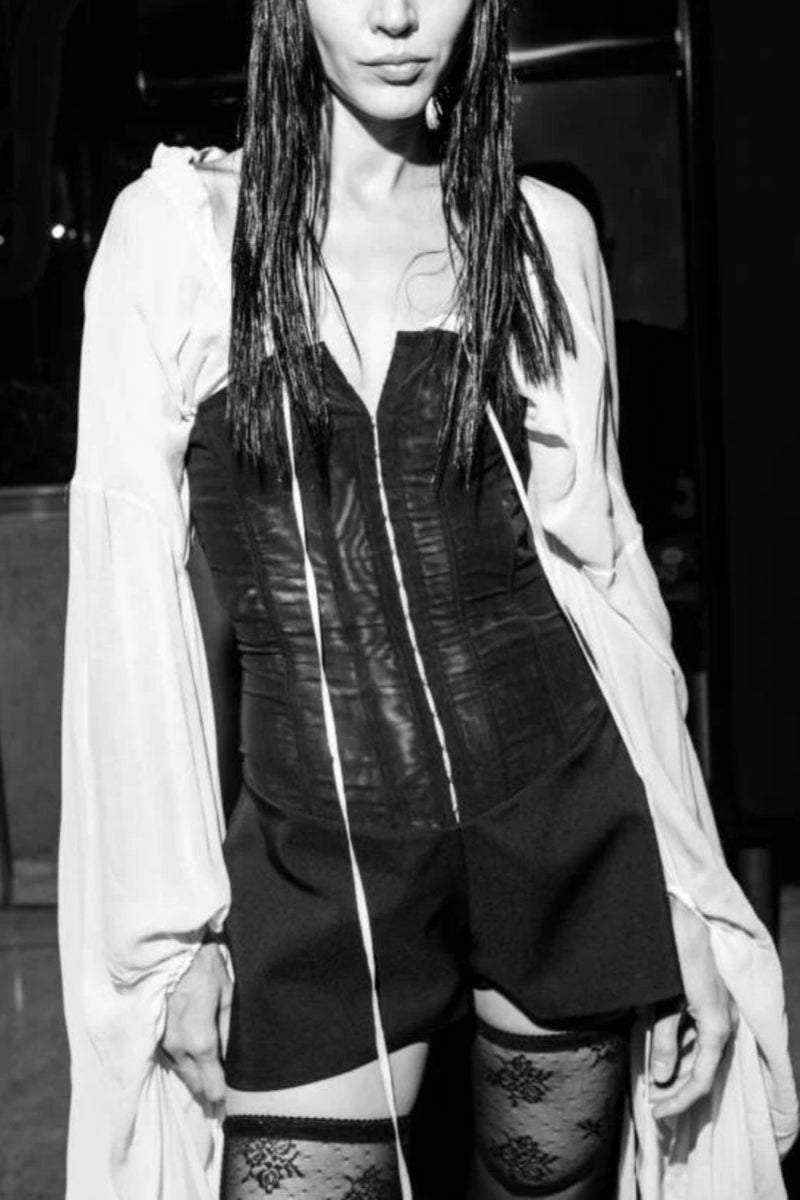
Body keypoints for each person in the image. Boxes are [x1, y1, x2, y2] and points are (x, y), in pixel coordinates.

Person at [58, 2, 797, 1198]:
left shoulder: (537, 236)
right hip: (312, 859)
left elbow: (602, 584)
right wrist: (167, 938)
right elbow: (125, 603)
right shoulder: (177, 238)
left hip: (559, 826)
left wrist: (681, 893)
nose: (398, 14)